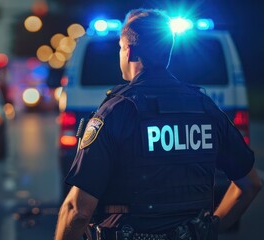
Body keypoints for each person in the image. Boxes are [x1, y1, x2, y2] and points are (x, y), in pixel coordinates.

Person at [54, 8, 261, 240]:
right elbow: (250, 184)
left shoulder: (116, 112)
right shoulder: (205, 108)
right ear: (167, 53)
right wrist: (209, 228)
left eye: (120, 48)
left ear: (129, 51)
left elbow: (78, 211)